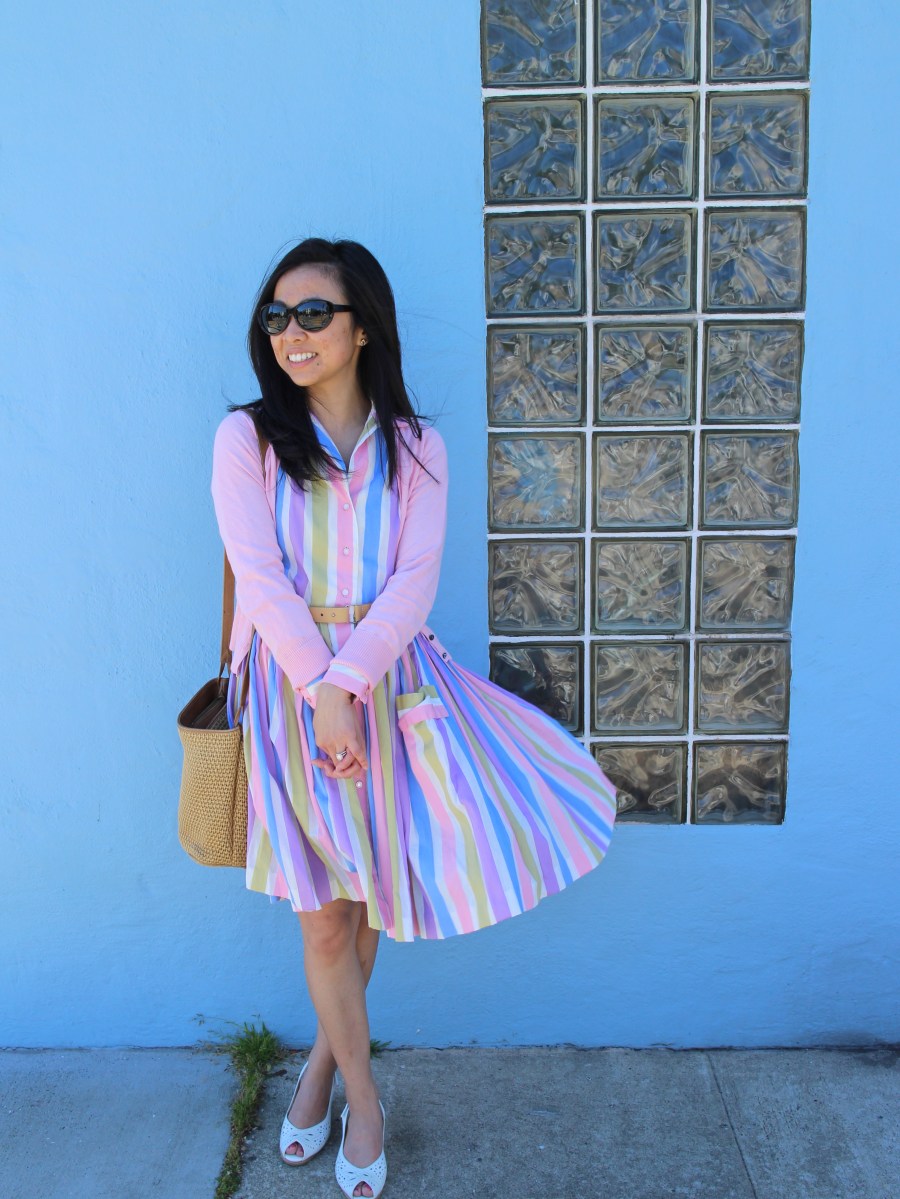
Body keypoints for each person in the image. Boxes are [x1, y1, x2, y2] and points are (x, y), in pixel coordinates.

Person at [210, 237, 618, 1199]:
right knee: (323, 918)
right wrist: (322, 691)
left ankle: (320, 1065)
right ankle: (365, 1098)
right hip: (288, 694)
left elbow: (414, 581)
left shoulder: (417, 446)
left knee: (370, 896)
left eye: (314, 313)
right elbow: (259, 578)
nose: (292, 332)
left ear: (362, 328)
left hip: (389, 689)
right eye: (277, 315)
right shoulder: (247, 438)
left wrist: (351, 686)